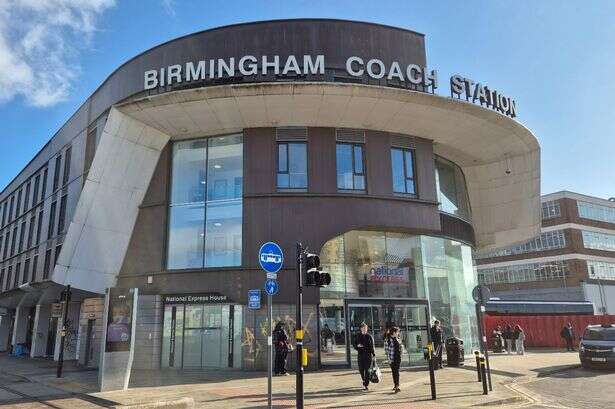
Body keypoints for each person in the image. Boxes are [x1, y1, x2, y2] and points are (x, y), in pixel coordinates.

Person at [353, 322, 375, 391]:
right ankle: (364, 380)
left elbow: (372, 346)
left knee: (367, 370)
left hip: (368, 355)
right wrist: (357, 346)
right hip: (360, 355)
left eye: (366, 328)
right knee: (361, 369)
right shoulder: (358, 336)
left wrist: (374, 354)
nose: (365, 329)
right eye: (363, 328)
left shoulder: (369, 336)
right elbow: (354, 344)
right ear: (361, 329)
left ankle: (366, 385)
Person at [387, 326, 402, 393]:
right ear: (393, 332)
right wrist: (389, 359)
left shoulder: (398, 339)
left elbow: (401, 347)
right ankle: (396, 385)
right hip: (392, 358)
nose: (398, 333)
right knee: (394, 372)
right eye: (397, 332)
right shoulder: (388, 340)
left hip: (398, 358)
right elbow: (386, 351)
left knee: (397, 372)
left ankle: (397, 385)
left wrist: (401, 352)